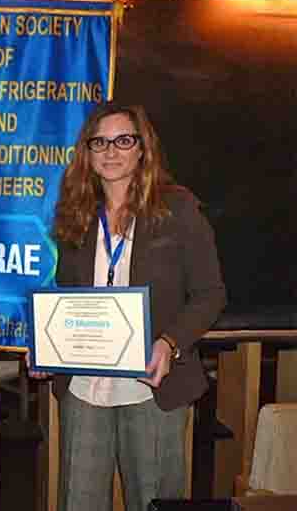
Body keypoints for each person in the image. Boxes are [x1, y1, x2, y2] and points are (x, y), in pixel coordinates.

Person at [41, 103, 226, 511]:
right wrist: (50, 349)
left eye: (124, 140)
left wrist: (170, 342)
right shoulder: (76, 214)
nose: (111, 151)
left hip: (153, 383)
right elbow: (68, 296)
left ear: (143, 149)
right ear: (86, 152)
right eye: (100, 142)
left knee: (155, 501)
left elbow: (211, 293)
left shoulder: (177, 208)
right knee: (79, 502)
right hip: (85, 385)